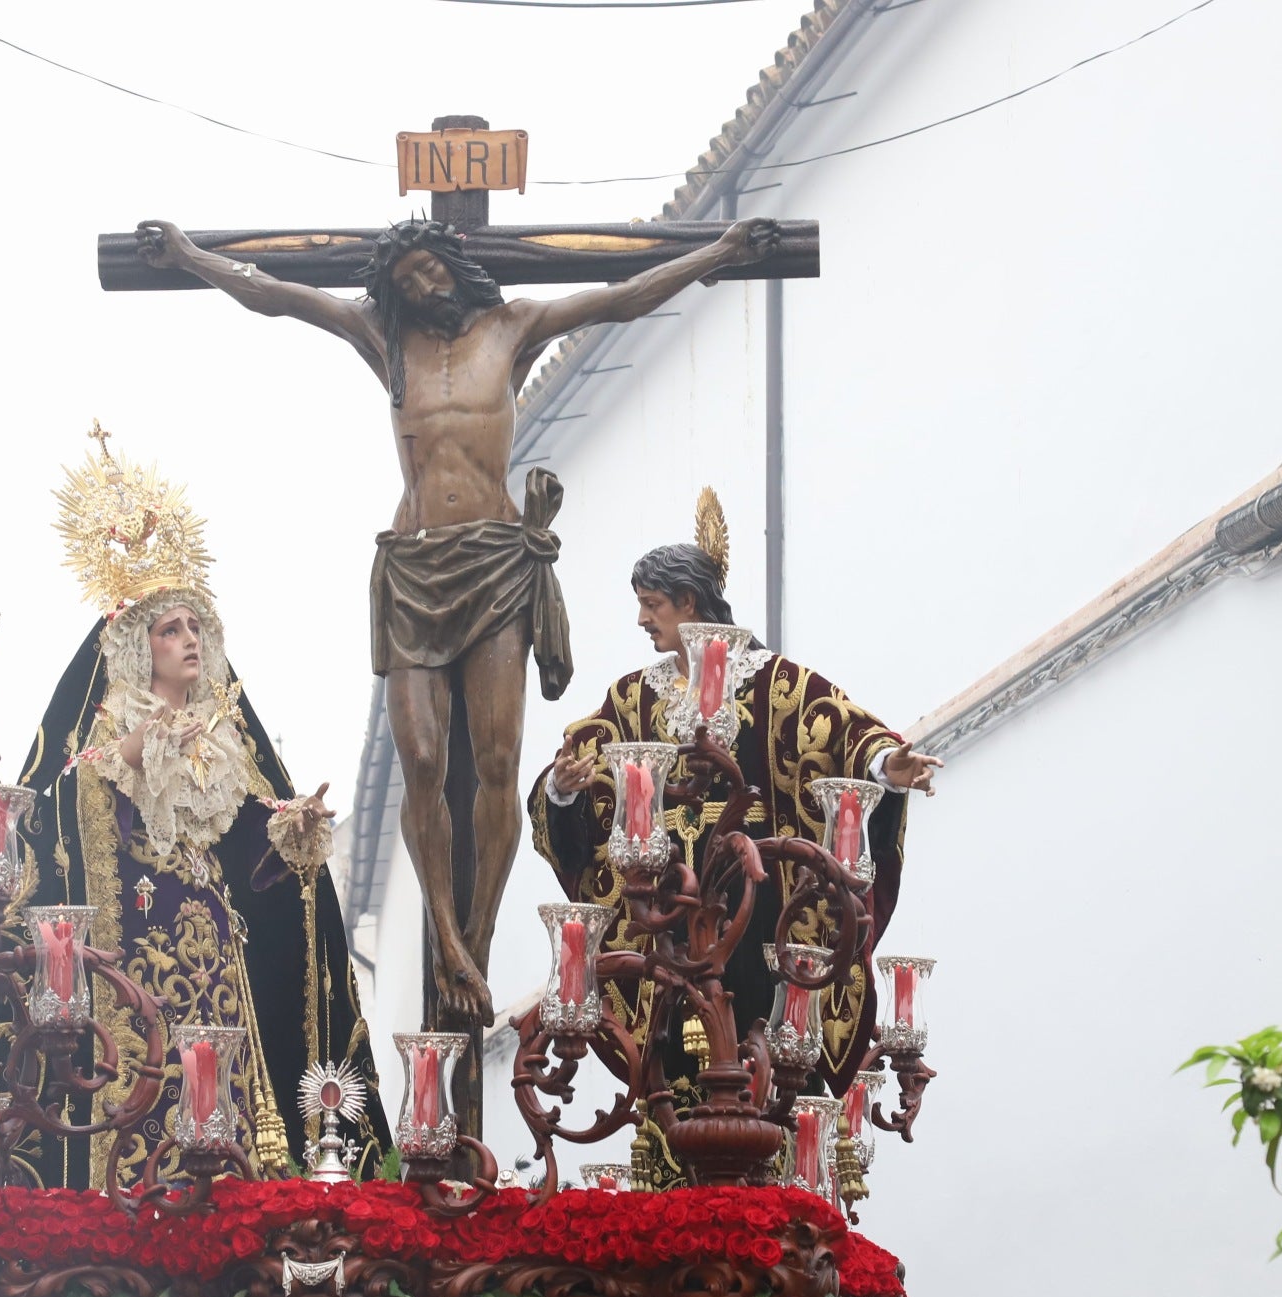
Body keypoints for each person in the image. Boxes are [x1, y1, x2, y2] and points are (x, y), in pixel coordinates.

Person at [133, 213, 780, 1027]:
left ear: (456, 267)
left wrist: (719, 254)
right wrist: (193, 255)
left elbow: (620, 298)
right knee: (426, 762)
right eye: (406, 284)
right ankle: (444, 932)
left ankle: (475, 934)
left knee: (501, 758)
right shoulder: (386, 341)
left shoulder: (512, 328)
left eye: (431, 274)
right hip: (412, 568)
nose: (423, 291)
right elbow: (278, 295)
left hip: (495, 566)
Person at [0, 427, 387, 1190]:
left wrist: (287, 836)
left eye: (196, 627)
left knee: (222, 1100)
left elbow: (247, 859)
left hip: (215, 954)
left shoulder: (225, 746)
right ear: (140, 648)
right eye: (170, 629)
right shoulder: (112, 730)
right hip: (137, 949)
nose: (189, 641)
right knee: (151, 1083)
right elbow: (59, 812)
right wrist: (131, 760)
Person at [526, 491, 938, 1181]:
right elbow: (576, 777)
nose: (641, 618)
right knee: (668, 1058)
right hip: (664, 913)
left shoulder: (778, 684)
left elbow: (846, 734)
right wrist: (563, 786)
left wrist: (885, 768)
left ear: (689, 603)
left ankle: (782, 1157)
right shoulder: (633, 699)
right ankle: (670, 1152)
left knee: (769, 1048)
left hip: (762, 914)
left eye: (651, 603)